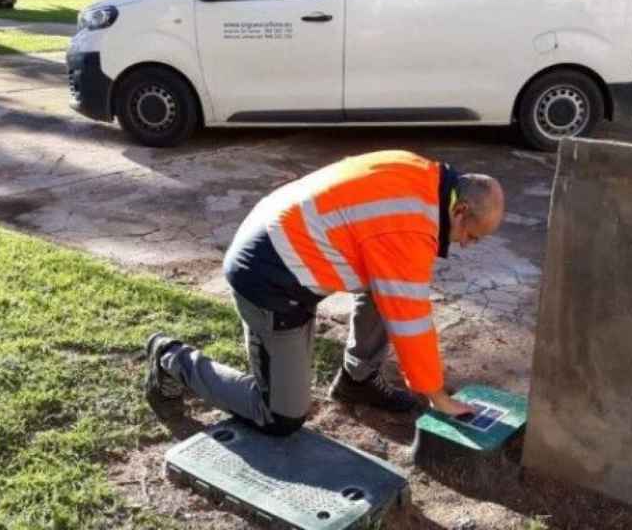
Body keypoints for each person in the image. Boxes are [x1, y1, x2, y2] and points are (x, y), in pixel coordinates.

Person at [145, 150, 505, 436]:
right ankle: (172, 359)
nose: (468, 245)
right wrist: (438, 397)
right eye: (472, 236)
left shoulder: (422, 174)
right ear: (459, 210)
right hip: (268, 275)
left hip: (280, 233)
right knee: (280, 416)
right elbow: (412, 321)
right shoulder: (410, 229)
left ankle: (358, 380)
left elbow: (395, 293)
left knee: (388, 290)